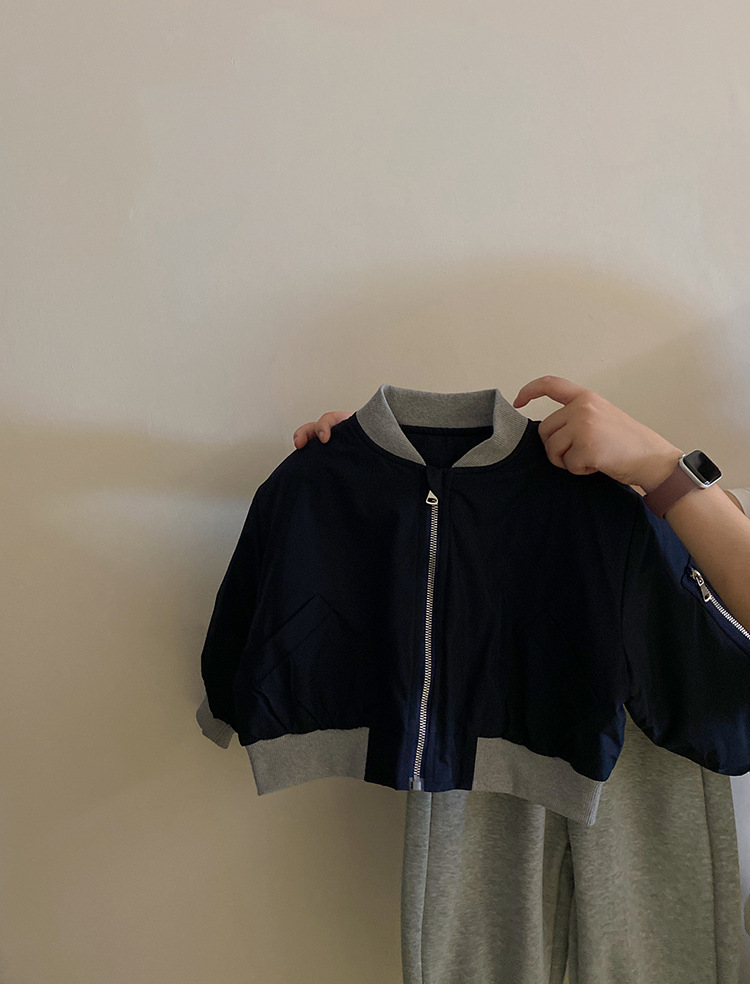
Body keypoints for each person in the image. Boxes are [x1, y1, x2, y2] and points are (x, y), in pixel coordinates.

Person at [291, 376, 749, 984]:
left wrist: (666, 469)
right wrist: (371, 484)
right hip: (488, 710)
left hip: (642, 693)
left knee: (662, 947)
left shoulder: (662, 514)